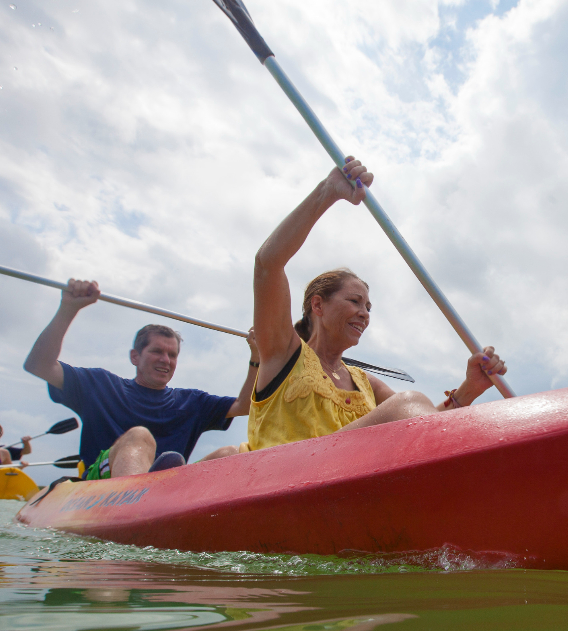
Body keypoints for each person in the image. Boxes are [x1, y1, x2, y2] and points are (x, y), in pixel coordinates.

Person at [204, 155, 506, 460]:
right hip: (284, 478)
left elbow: (421, 421)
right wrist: (327, 192)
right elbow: (267, 265)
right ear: (318, 305)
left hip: (345, 485)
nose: (365, 313)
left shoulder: (366, 383)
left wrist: (469, 389)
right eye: (354, 301)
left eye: (369, 307)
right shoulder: (283, 352)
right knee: (408, 401)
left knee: (410, 406)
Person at [23, 282, 259, 480]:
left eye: (172, 354)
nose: (166, 360)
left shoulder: (192, 401)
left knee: (231, 452)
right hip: (98, 489)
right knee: (140, 436)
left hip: (168, 489)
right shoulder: (100, 385)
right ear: (135, 356)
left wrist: (257, 357)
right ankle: (135, 504)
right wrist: (68, 308)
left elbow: (244, 405)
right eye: (157, 352)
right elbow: (38, 365)